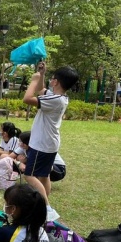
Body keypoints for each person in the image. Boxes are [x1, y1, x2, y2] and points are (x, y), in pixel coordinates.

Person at [22, 63, 78, 221]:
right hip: (49, 143)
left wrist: (34, 80)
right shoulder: (60, 98)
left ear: (56, 82)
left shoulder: (55, 100)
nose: (50, 80)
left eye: (52, 78)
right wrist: (42, 74)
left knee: (29, 175)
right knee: (44, 175)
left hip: (42, 144)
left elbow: (27, 99)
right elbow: (41, 90)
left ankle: (46, 208)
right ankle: (43, 206)